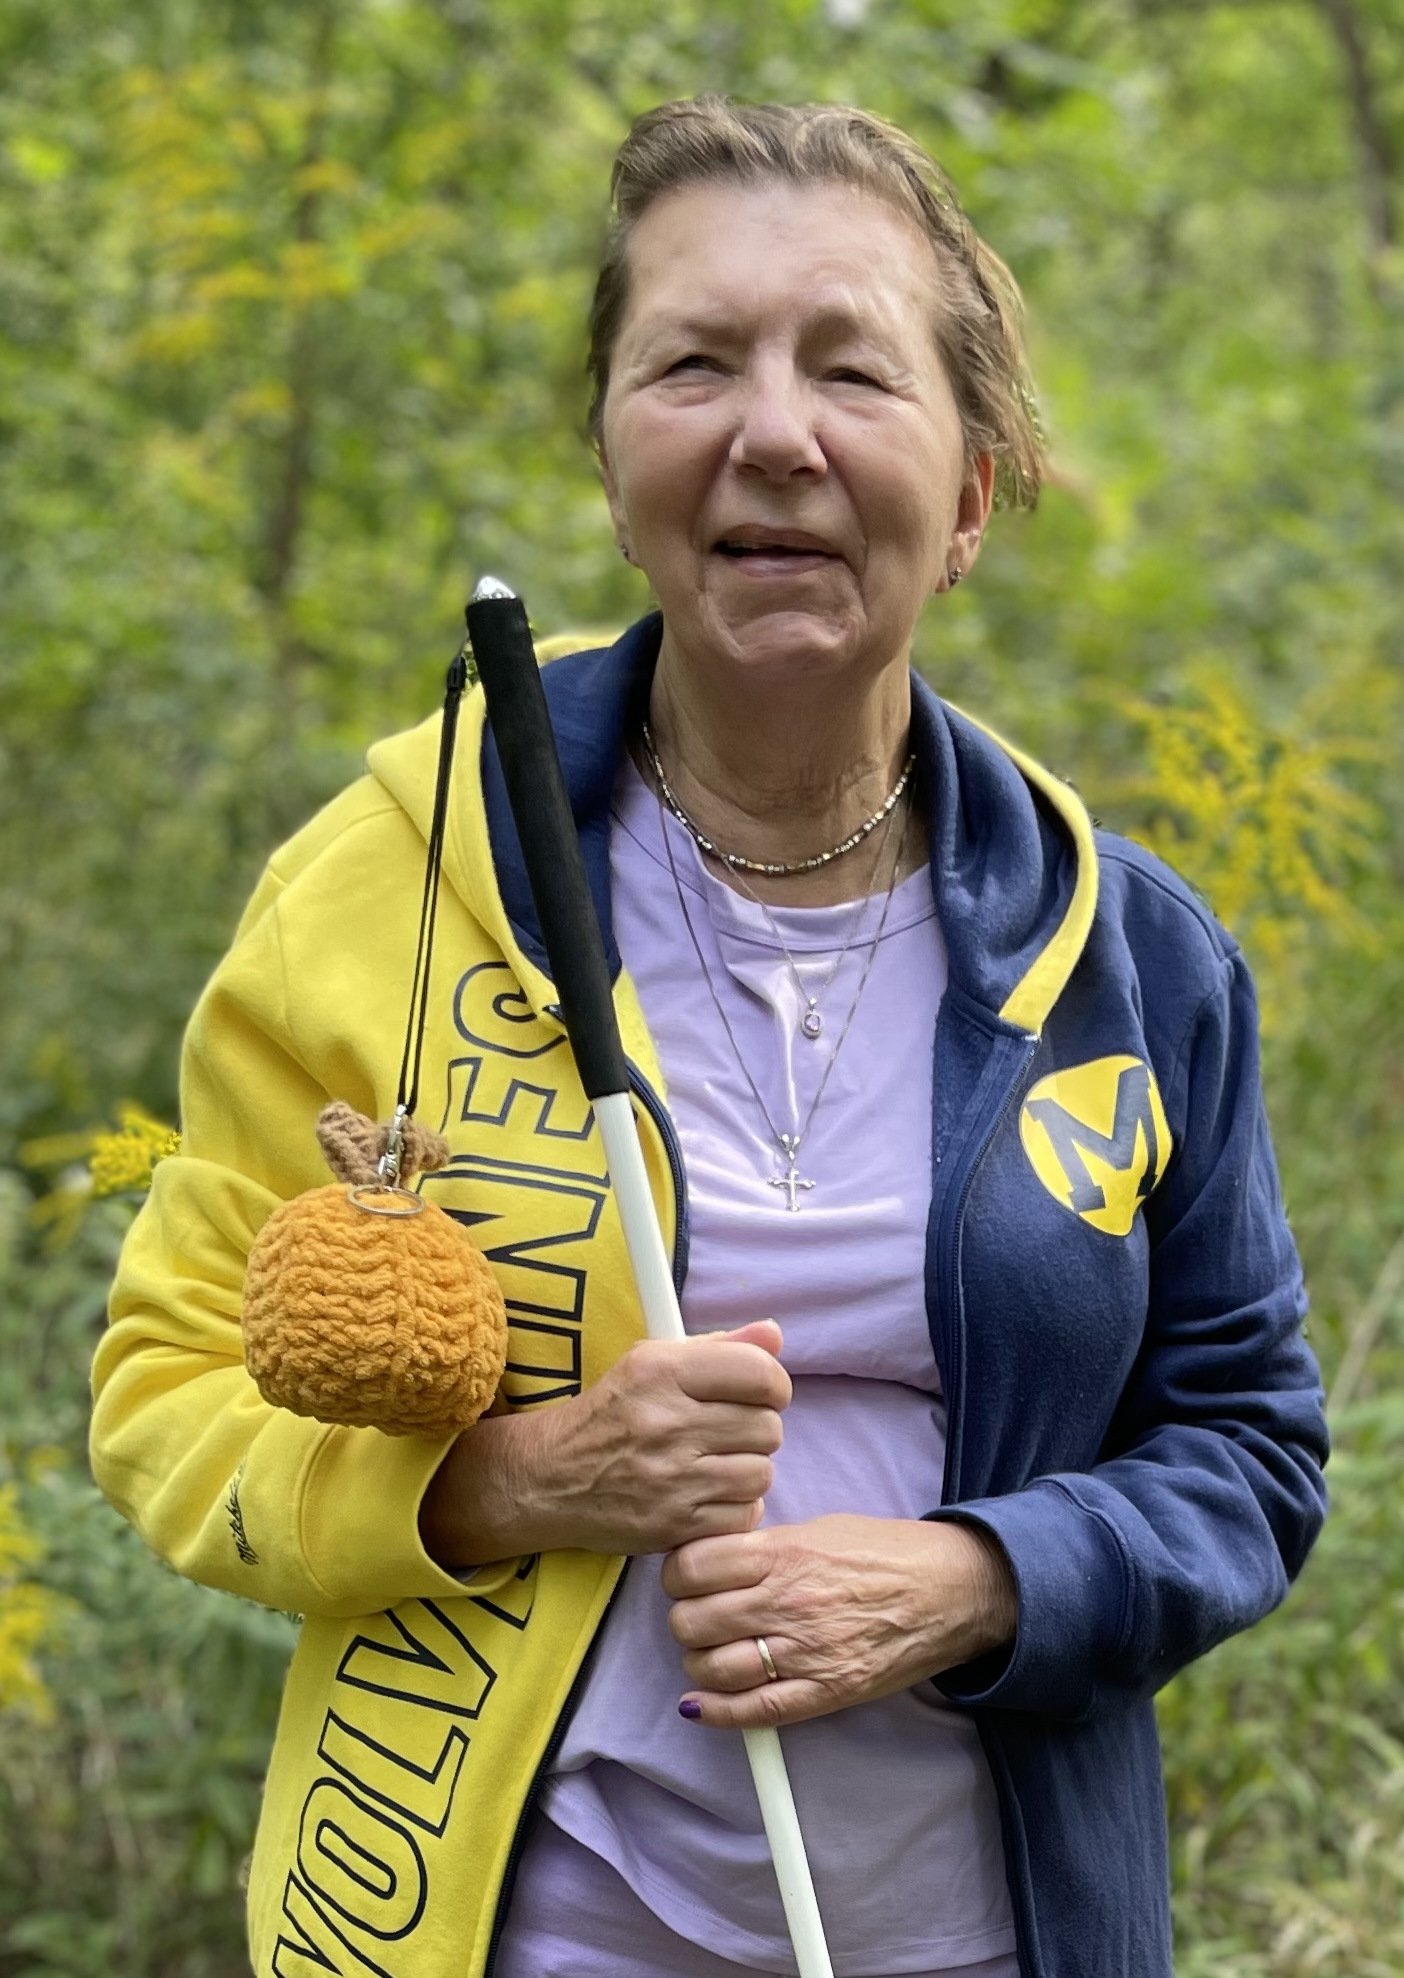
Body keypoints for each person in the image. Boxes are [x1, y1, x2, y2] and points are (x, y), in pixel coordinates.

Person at [91, 95, 1328, 1978]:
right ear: (613, 462)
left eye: (853, 368)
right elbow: (170, 1392)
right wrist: (510, 1477)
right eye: (692, 362)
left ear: (975, 492)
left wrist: (974, 1579)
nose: (774, 431)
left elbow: (1246, 1450)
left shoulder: (1130, 958)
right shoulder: (391, 887)